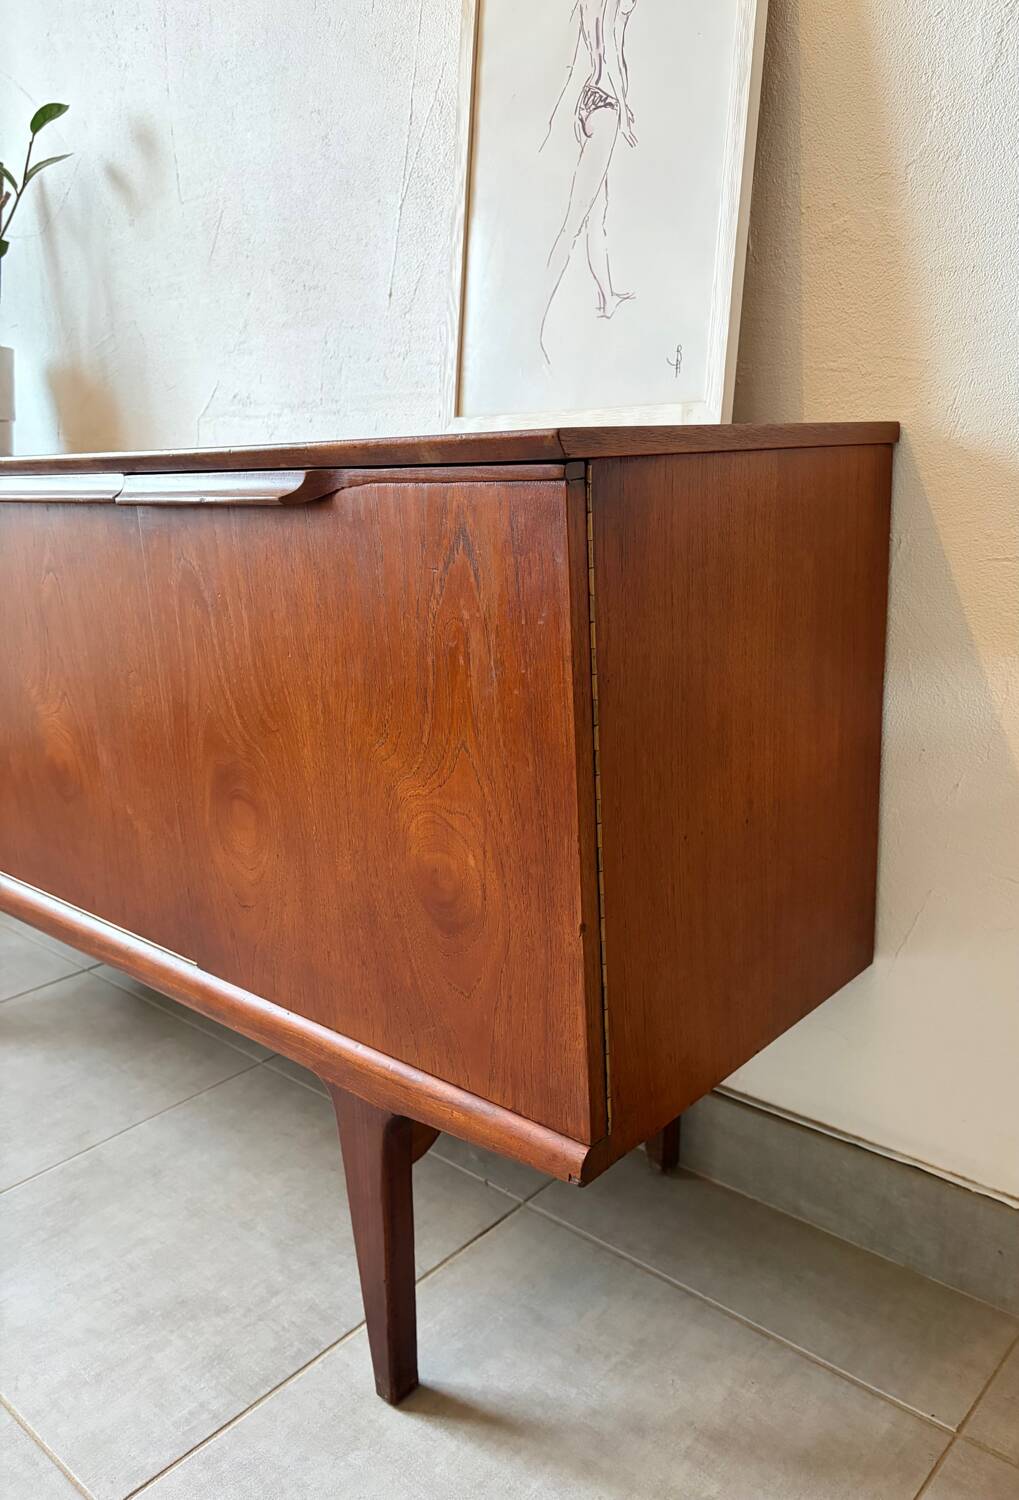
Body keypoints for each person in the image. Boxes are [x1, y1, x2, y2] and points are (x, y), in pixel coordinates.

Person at [540, 0, 639, 362]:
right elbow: (612, 49)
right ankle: (534, 323)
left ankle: (607, 295)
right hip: (608, 103)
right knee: (575, 220)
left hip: (587, 101)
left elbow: (590, 44)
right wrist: (625, 110)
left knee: (597, 211)